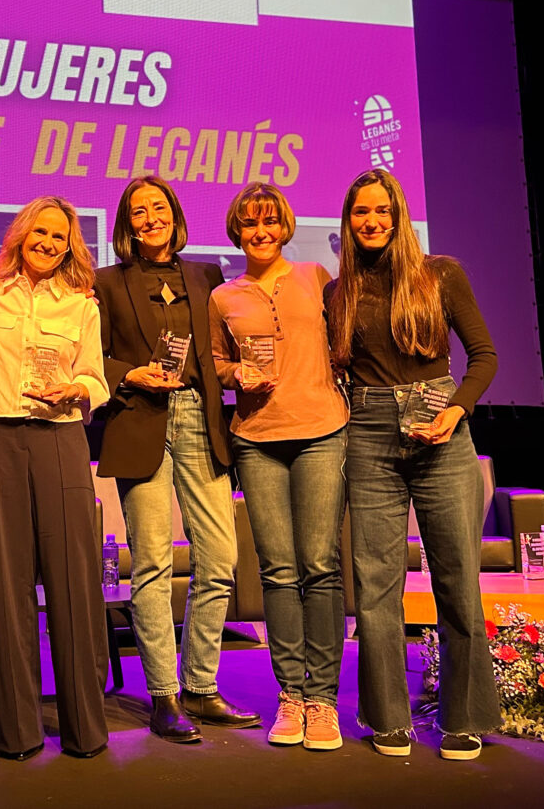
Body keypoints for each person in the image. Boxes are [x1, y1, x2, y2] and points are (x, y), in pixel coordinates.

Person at [326, 168, 500, 761]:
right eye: (360, 212)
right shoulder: (337, 292)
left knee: (457, 580)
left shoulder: (440, 274)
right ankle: (388, 718)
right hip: (369, 434)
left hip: (442, 432)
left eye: (382, 210)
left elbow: (484, 356)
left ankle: (462, 718)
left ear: (399, 216)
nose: (371, 221)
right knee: (376, 587)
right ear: (348, 221)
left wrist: (455, 411)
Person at [93, 175, 259, 743]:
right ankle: (164, 695)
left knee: (221, 557)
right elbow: (92, 357)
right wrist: (128, 375)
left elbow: (222, 349)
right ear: (127, 223)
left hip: (199, 419)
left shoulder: (207, 276)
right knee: (153, 564)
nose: (150, 218)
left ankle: (200, 687)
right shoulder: (106, 282)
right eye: (139, 211)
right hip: (140, 419)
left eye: (158, 207)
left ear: (175, 214)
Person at [0, 196, 110, 761]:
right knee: (6, 584)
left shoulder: (82, 305)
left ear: (70, 246)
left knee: (74, 580)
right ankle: (17, 731)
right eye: (40, 232)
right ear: (21, 236)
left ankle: (85, 729)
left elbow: (95, 378)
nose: (49, 243)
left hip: (60, 436)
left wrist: (77, 388)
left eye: (60, 237)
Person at [208, 183, 349, 751]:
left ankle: (324, 699)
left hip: (321, 432)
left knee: (320, 565)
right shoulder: (223, 296)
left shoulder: (316, 276)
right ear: (237, 232)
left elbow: (344, 342)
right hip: (257, 439)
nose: (260, 232)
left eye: (269, 222)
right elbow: (216, 361)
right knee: (278, 571)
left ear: (285, 227)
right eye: (250, 223)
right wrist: (234, 374)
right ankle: (291, 695)